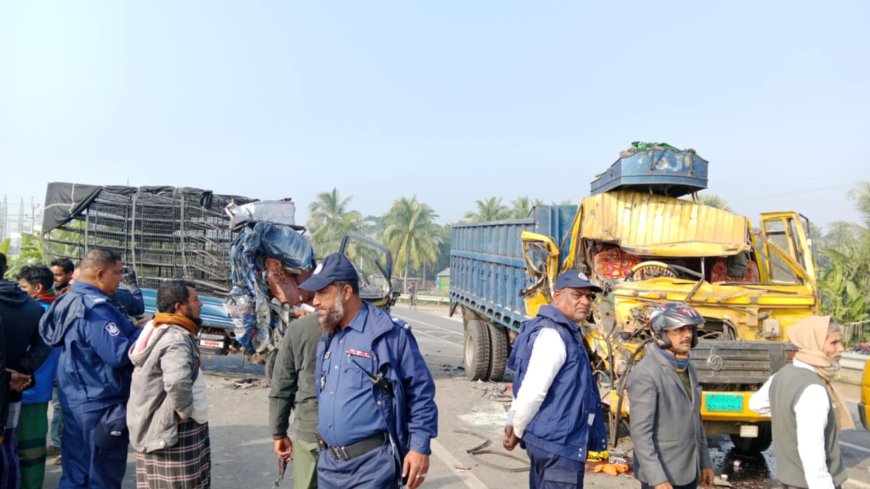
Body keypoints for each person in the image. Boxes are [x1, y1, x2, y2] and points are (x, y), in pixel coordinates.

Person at [299, 253, 437, 489]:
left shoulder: (388, 335)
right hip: (330, 466)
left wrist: (419, 447)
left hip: (372, 469)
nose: (315, 301)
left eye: (323, 293)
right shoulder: (328, 336)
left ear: (346, 292)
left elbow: (420, 393)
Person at [39, 248, 139, 489]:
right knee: (101, 475)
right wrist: (143, 332)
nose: (120, 279)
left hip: (76, 397)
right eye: (117, 273)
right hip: (100, 403)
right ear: (101, 273)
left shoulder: (67, 299)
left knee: (77, 472)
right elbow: (118, 353)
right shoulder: (95, 309)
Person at [503, 270, 607, 489]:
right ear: (557, 296)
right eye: (577, 295)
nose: (585, 302)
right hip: (559, 446)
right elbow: (532, 390)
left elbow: (522, 383)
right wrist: (517, 428)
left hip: (552, 441)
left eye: (589, 297)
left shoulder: (566, 331)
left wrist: (514, 420)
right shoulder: (553, 335)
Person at [749, 316, 852, 489]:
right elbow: (813, 457)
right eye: (834, 343)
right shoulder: (813, 389)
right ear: (814, 345)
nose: (841, 349)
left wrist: (789, 416)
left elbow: (755, 403)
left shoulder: (782, 375)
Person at [128, 280, 211, 489]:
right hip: (175, 430)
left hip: (160, 426)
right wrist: (183, 411)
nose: (200, 304)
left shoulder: (157, 328)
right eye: (195, 300)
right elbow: (176, 381)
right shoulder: (175, 338)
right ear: (178, 306)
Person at [626, 302, 714, 489]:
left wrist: (705, 462)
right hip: (662, 475)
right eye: (679, 330)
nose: (688, 335)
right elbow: (641, 434)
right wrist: (657, 478)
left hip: (689, 472)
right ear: (661, 334)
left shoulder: (688, 368)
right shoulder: (646, 373)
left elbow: (695, 420)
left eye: (690, 329)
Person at [0, 254, 51, 489]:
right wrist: (22, 370)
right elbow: (44, 344)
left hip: (17, 385)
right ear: (6, 269)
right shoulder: (32, 306)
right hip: (16, 390)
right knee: (9, 448)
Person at [269, 261, 320, 489]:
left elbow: (281, 386)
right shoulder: (368, 329)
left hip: (311, 432)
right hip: (358, 443)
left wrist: (278, 432)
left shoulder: (300, 329)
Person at [16, 265, 61, 489]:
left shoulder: (33, 312)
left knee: (26, 448)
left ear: (37, 288)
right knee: (32, 448)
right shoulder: (53, 309)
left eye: (23, 287)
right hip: (40, 389)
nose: (19, 291)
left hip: (27, 390)